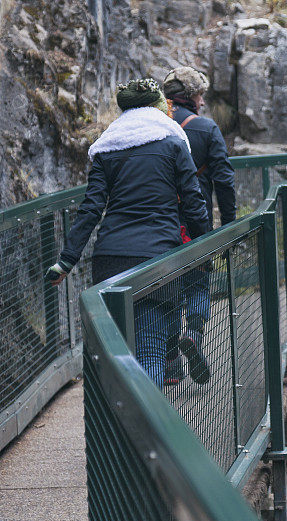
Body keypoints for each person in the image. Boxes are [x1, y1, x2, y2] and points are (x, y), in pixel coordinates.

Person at [45, 78, 209, 387]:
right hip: (157, 261)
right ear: (157, 106)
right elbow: (193, 202)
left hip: (110, 261)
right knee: (150, 352)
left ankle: (117, 433)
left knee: (118, 356)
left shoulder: (108, 149)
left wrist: (66, 261)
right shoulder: (173, 143)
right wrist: (205, 250)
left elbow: (91, 209)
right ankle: (148, 433)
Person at [161, 66, 237, 386]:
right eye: (200, 95)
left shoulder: (152, 126)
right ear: (190, 96)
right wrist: (229, 227)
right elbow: (224, 180)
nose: (203, 102)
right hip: (196, 221)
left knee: (165, 291)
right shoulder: (206, 129)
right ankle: (193, 333)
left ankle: (171, 366)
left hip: (160, 224)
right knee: (199, 282)